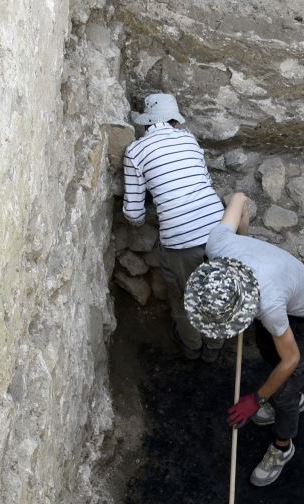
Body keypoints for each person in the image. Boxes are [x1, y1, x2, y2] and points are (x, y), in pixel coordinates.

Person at [182, 192, 304, 487]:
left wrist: (256, 400)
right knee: (269, 352)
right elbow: (240, 198)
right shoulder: (218, 245)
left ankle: (283, 446)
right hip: (274, 288)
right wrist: (243, 239)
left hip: (302, 306)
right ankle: (289, 396)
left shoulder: (268, 304)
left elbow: (291, 358)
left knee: (285, 385)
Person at [122, 93, 225, 361]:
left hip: (182, 240)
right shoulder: (189, 139)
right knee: (217, 291)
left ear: (146, 122)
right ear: (174, 121)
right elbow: (204, 181)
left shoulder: (135, 151)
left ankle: (192, 348)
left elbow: (134, 212)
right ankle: (214, 348)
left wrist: (139, 221)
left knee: (184, 297)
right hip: (219, 229)